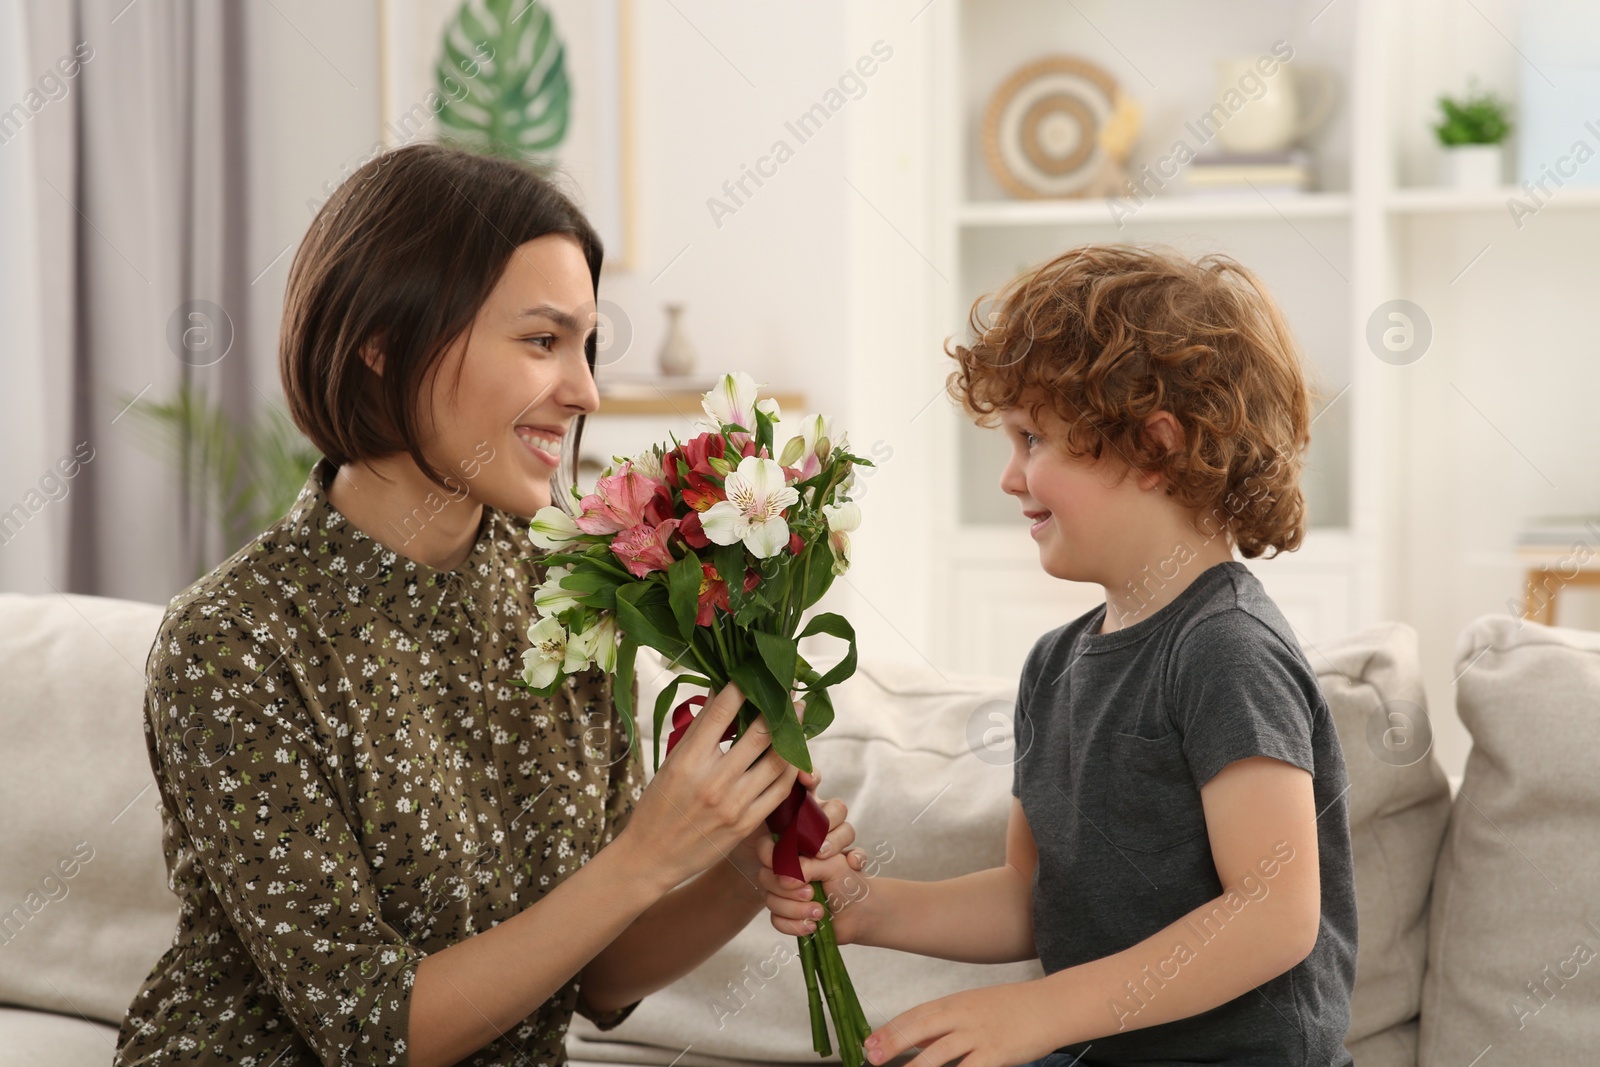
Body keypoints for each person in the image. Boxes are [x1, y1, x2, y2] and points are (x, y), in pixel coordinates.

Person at [114, 142, 856, 1067]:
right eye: (543, 341)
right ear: (384, 342)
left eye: (586, 346)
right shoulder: (233, 642)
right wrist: (645, 856)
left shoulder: (570, 593)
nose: (584, 391)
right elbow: (376, 1033)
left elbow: (598, 975)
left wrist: (737, 867)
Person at [760, 245, 1357, 1067]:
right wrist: (868, 905)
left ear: (1153, 447)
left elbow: (1275, 912)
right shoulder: (1053, 664)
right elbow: (1033, 899)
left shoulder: (1226, 650)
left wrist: (1038, 1012)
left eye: (1032, 437)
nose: (1011, 477)